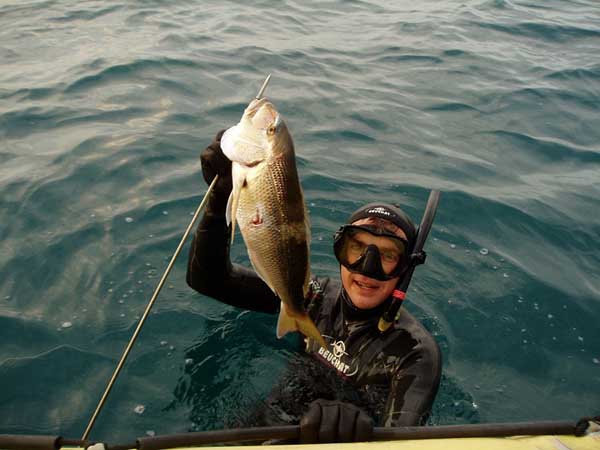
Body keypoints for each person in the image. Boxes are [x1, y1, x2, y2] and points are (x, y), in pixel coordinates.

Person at [186, 130, 442, 443]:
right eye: (357, 248)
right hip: (273, 421)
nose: (367, 268)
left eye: (387, 255)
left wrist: (364, 430)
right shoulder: (312, 297)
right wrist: (221, 196)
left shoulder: (415, 354)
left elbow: (404, 441)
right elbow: (208, 279)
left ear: (405, 267)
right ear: (340, 251)